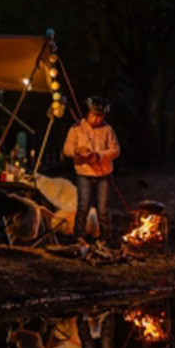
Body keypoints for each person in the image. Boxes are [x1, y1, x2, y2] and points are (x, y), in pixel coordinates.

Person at [62, 96, 120, 245]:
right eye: (94, 115)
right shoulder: (76, 128)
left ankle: (105, 238)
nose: (96, 119)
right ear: (87, 113)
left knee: (103, 209)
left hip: (104, 175)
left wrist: (100, 155)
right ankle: (79, 236)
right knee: (83, 206)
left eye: (100, 116)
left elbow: (115, 150)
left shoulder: (107, 129)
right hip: (84, 173)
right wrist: (78, 151)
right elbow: (66, 149)